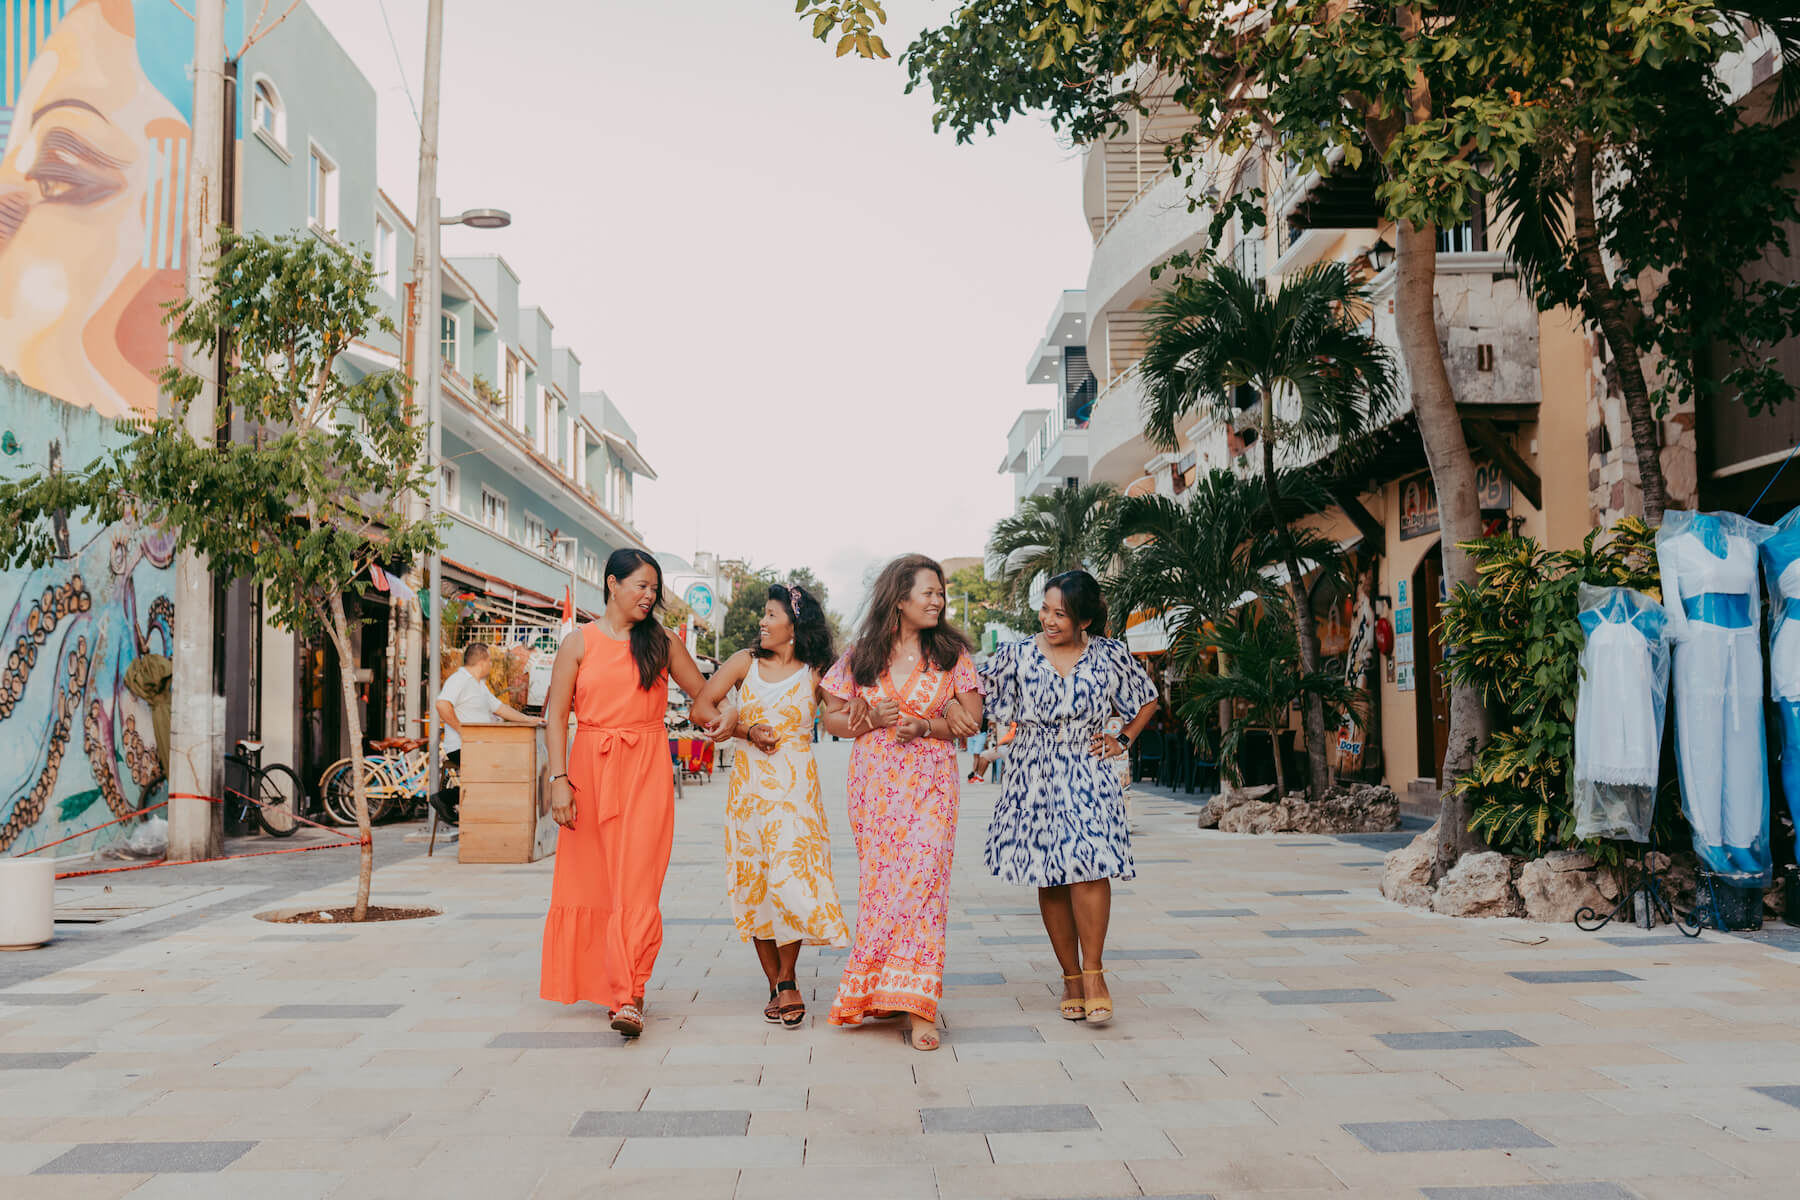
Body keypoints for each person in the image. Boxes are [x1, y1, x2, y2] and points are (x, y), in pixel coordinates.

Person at [540, 548, 709, 1039]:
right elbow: (556, 715)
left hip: (646, 769)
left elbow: (702, 696)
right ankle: (607, 983)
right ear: (612, 584)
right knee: (592, 881)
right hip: (589, 769)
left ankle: (630, 992)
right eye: (641, 586)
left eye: (654, 588)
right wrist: (558, 781)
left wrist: (739, 705)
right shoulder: (579, 643)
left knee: (638, 882)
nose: (649, 595)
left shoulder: (662, 641)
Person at [818, 554, 983, 1051]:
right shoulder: (863, 655)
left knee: (923, 887)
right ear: (900, 598)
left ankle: (918, 1004)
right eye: (928, 592)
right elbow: (829, 717)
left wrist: (926, 726)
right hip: (875, 788)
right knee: (883, 888)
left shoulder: (952, 654)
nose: (937, 600)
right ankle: (882, 992)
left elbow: (971, 722)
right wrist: (867, 720)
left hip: (932, 785)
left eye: (940, 593)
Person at [978, 570, 1158, 1027]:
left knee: (1093, 863)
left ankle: (1095, 975)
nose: (1049, 619)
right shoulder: (1015, 655)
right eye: (1045, 609)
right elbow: (973, 694)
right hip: (1033, 772)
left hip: (1088, 767)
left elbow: (1147, 698)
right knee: (1052, 874)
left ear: (1083, 619)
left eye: (1061, 613)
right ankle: (1071, 978)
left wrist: (1124, 739)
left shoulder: (1109, 654)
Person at [691, 583, 849, 1029]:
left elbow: (839, 716)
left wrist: (870, 717)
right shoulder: (744, 663)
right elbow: (701, 706)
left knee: (791, 880)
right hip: (749, 792)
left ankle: (787, 978)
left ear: (794, 627)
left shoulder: (816, 671)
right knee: (756, 882)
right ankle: (780, 984)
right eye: (763, 614)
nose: (762, 622)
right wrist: (744, 730)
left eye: (771, 615)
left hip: (797, 794)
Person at [430, 642, 540, 826]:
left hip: (479, 746)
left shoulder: (479, 685)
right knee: (500, 775)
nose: (491, 665)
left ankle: (483, 820)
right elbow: (442, 704)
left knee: (506, 772)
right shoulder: (460, 679)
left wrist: (531, 720)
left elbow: (500, 708)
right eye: (490, 660)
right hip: (462, 746)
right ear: (482, 661)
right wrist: (461, 729)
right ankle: (444, 798)